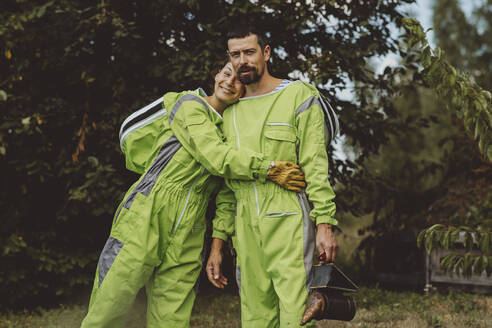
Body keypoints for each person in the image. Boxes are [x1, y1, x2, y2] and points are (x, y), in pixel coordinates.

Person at [80, 61, 306, 328]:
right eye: (225, 73)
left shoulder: (232, 130)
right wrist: (267, 168)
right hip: (149, 209)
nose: (229, 82)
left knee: (172, 316)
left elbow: (226, 193)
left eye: (238, 80)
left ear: (244, 91)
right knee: (112, 300)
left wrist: (217, 244)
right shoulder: (189, 104)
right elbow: (213, 155)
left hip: (191, 226)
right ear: (215, 76)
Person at [206, 26, 339, 327]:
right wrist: (217, 244)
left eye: (249, 52)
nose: (243, 61)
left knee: (295, 315)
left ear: (265, 53)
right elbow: (228, 186)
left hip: (290, 222)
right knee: (255, 317)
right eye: (235, 54)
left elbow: (316, 166)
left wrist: (325, 224)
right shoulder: (230, 113)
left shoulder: (298, 96)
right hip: (245, 229)